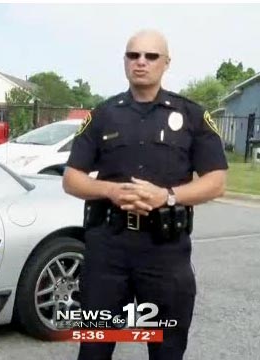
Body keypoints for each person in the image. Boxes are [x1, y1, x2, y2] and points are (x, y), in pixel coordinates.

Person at [62, 29, 228, 360]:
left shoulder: (192, 115)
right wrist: (109, 190)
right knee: (94, 349)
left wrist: (166, 197)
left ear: (166, 63)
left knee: (166, 349)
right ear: (124, 61)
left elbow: (216, 180)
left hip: (164, 252)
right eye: (133, 55)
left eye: (151, 56)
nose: (141, 62)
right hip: (108, 250)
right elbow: (71, 179)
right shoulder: (103, 114)